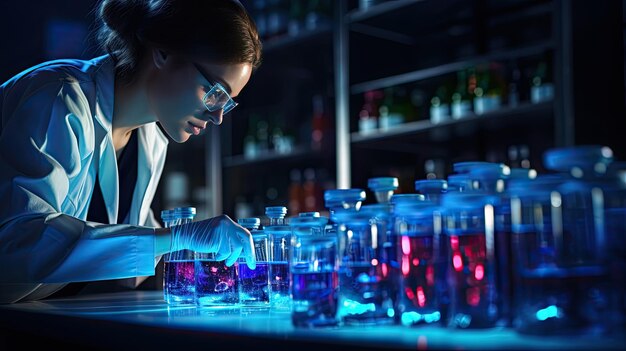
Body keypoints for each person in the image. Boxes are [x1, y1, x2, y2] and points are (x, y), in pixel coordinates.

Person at [0, 0, 262, 303]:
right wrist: (176, 238)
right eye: (215, 92)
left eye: (227, 103)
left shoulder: (150, 138)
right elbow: (17, 244)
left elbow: (128, 265)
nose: (217, 117)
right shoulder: (60, 99)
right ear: (163, 52)